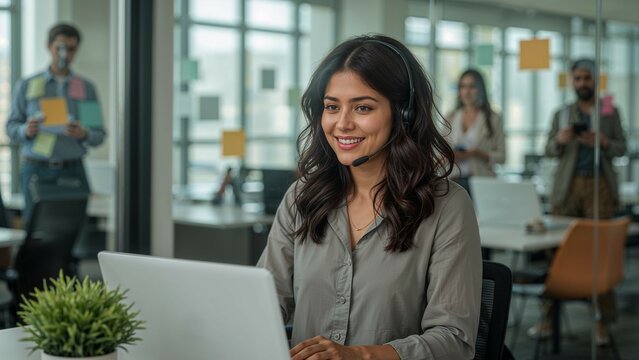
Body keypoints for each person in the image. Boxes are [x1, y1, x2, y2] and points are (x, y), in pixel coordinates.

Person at [258, 34, 482, 359]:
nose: (342, 124)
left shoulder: (447, 207)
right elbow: (266, 301)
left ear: (403, 114)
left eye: (362, 107)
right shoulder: (302, 198)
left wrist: (359, 356)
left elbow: (455, 341)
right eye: (332, 107)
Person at [537, 58, 627, 345]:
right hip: (567, 187)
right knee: (558, 251)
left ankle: (601, 322)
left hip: (600, 186)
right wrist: (561, 140)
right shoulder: (562, 113)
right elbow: (548, 150)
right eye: (577, 79)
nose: (582, 84)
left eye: (587, 78)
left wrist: (603, 142)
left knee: (599, 252)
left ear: (595, 80)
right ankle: (548, 317)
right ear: (572, 81)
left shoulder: (610, 112)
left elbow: (623, 147)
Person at [6, 23, 105, 223]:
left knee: (72, 233)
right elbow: (11, 128)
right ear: (48, 46)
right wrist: (27, 129)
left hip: (73, 170)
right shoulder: (28, 85)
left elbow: (98, 134)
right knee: (37, 234)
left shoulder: (85, 88)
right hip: (37, 170)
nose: (65, 54)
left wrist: (84, 134)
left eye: (71, 49)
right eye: (60, 47)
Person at [444, 69, 505, 196]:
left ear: (480, 89)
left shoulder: (493, 119)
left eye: (472, 86)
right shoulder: (450, 117)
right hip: (454, 180)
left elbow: (502, 156)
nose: (467, 91)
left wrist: (476, 153)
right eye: (463, 86)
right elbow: (441, 150)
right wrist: (451, 155)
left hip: (482, 181)